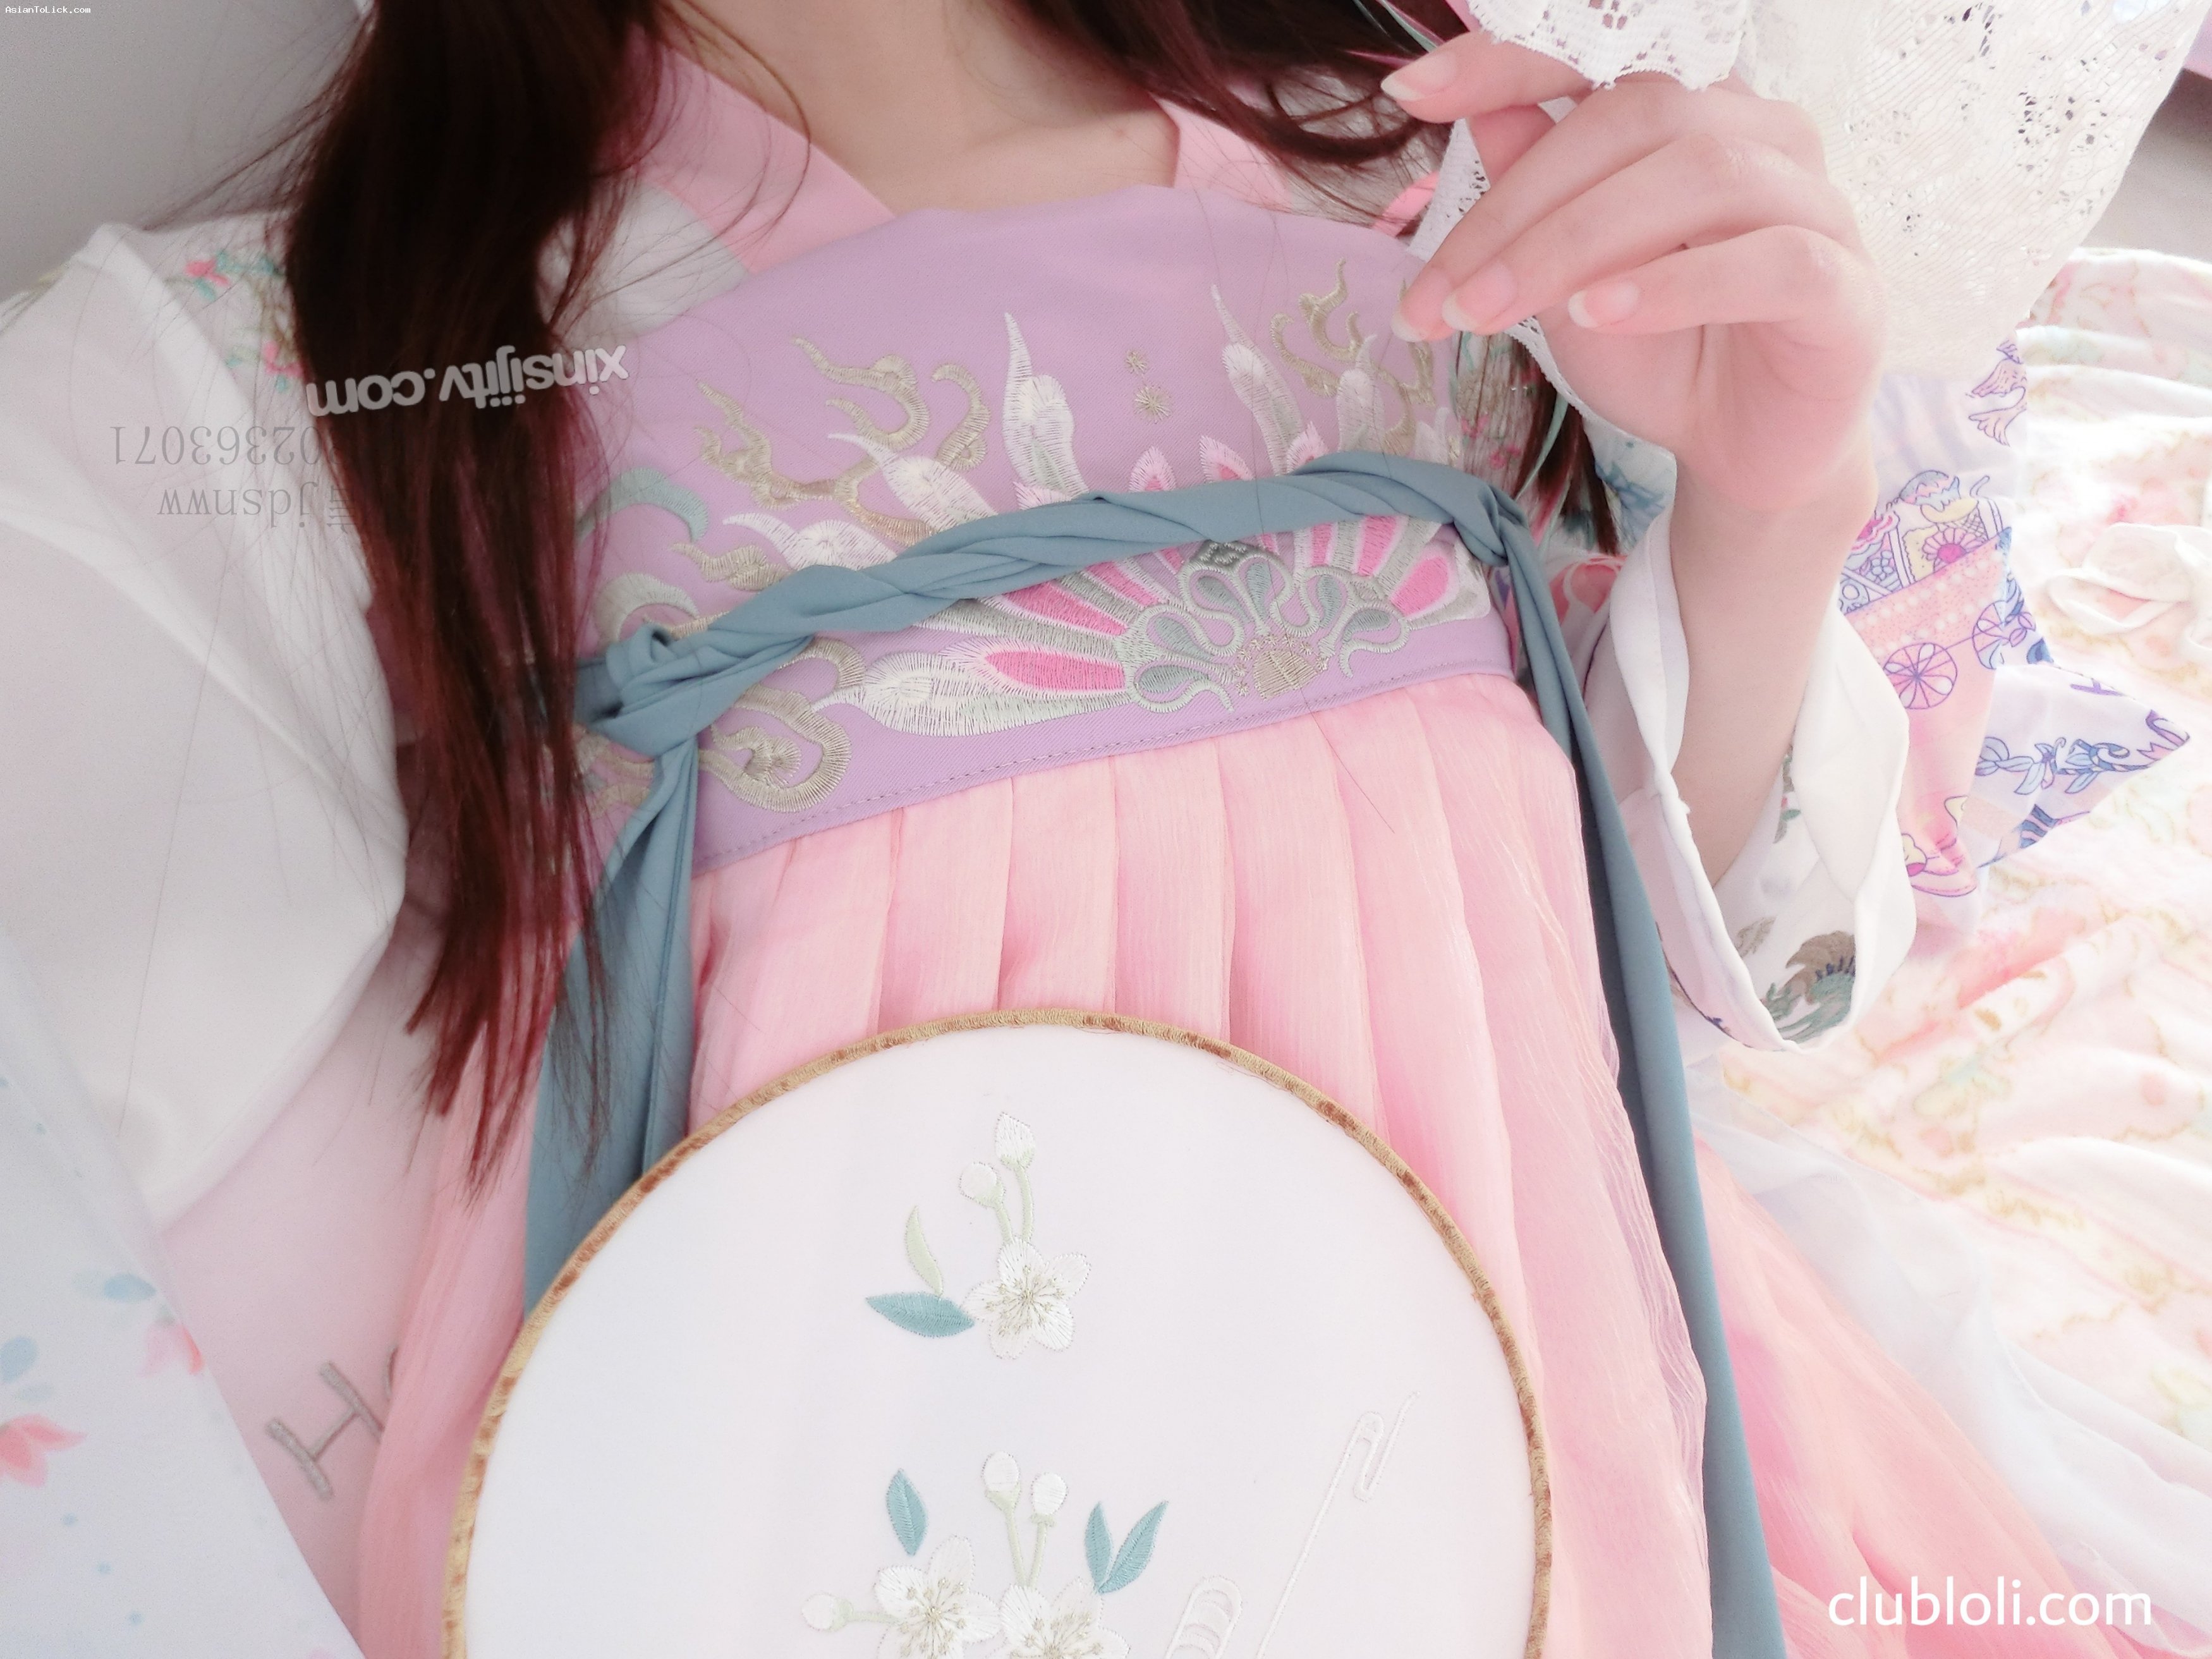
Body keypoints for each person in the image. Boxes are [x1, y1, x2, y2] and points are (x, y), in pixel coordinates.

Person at [0, 1, 2190, 1655]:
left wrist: (1768, 507)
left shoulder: (1428, 154)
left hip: (1580, 1462)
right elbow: (115, 1356)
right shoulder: (261, 386)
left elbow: (1659, 953)